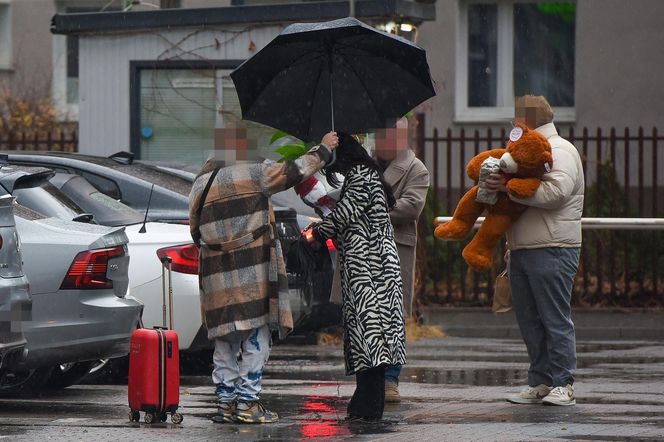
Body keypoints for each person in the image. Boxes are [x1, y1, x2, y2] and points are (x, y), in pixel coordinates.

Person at [189, 123, 338, 423]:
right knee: (257, 337)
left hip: (216, 277)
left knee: (225, 341)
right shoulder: (254, 171)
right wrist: (323, 150)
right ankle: (248, 402)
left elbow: (195, 231)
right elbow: (294, 171)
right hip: (252, 273)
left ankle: (226, 404)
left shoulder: (201, 181)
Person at [486, 95, 584, 406]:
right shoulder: (528, 151)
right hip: (524, 247)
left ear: (528, 120)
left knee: (553, 317)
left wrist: (508, 188)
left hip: (553, 246)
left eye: (517, 119)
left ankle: (563, 382)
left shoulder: (560, 151)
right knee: (530, 319)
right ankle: (541, 380)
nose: (513, 125)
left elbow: (556, 192)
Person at [311, 132, 406, 421]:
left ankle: (368, 406)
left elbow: (346, 214)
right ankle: (365, 403)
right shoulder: (366, 173)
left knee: (370, 334)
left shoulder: (362, 174)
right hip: (371, 265)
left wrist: (316, 232)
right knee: (369, 334)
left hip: (371, 268)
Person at [373, 117, 430, 403]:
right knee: (365, 317)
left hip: (394, 249)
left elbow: (411, 207)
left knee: (392, 317)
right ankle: (370, 379)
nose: (384, 140)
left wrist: (369, 207)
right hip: (363, 251)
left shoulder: (415, 169)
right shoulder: (363, 164)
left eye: (391, 134)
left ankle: (390, 380)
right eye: (381, 133)